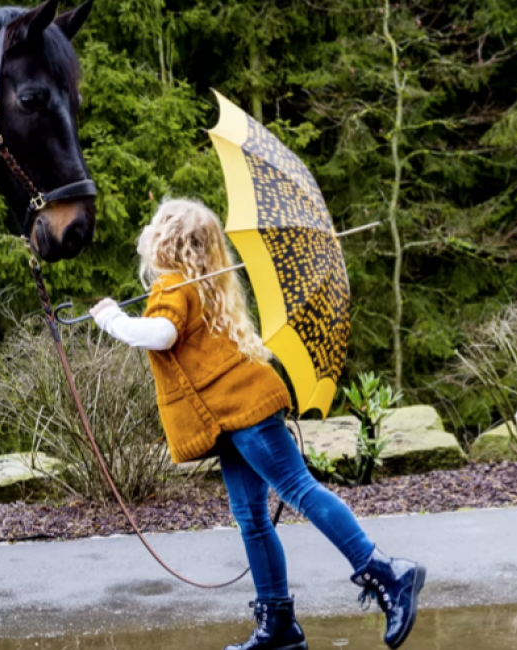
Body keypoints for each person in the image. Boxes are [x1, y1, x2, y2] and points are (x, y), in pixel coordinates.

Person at [88, 198, 426, 650]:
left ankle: (387, 572)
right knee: (250, 516)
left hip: (244, 409)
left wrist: (112, 319)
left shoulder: (172, 285)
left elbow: (160, 334)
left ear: (168, 242)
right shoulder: (199, 285)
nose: (144, 232)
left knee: (299, 489)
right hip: (229, 417)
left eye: (152, 226)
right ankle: (278, 625)